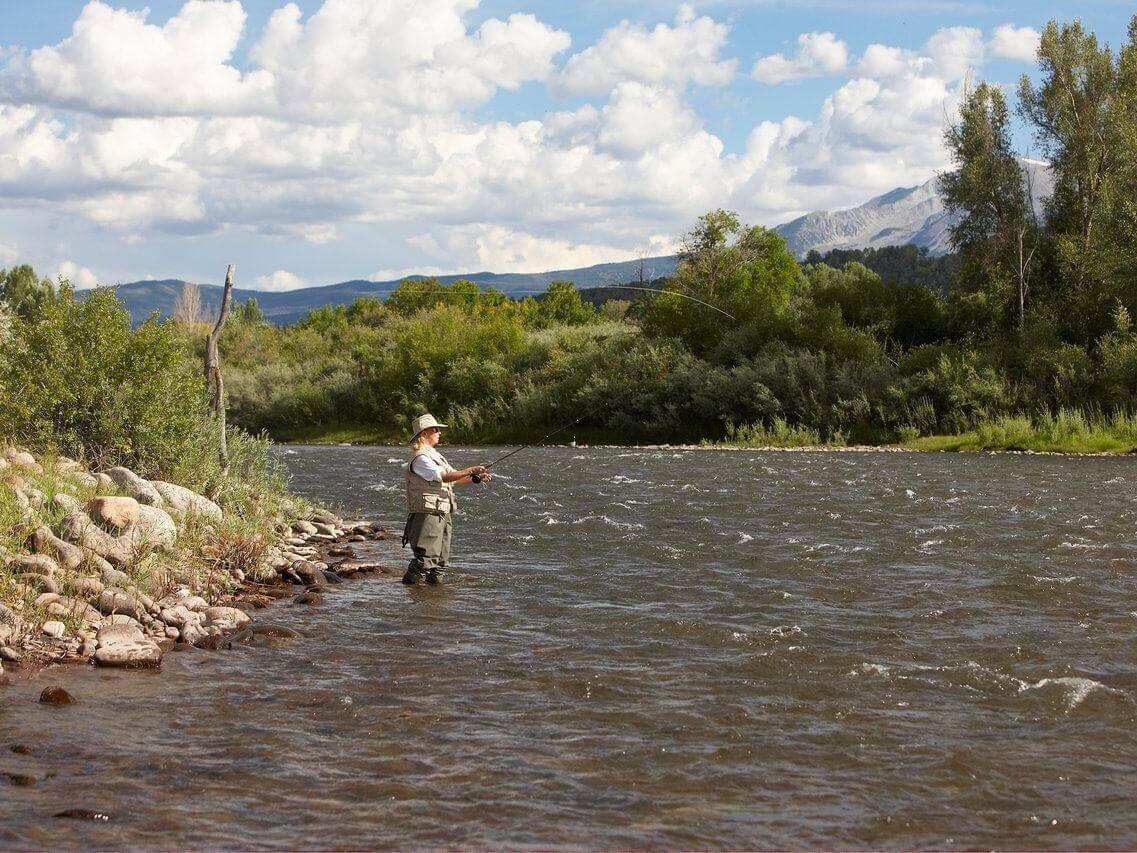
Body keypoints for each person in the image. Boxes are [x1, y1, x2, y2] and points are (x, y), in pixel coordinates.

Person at [401, 413, 490, 585]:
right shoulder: (420, 458)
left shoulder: (435, 455)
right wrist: (472, 469)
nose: (439, 433)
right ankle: (409, 597)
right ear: (424, 434)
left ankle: (433, 601)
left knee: (440, 562)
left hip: (442, 512)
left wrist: (475, 478)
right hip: (427, 515)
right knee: (424, 560)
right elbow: (445, 477)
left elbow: (455, 478)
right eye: (436, 430)